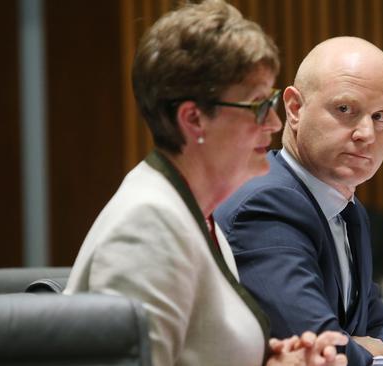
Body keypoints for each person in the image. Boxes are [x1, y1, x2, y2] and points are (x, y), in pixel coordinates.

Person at [63, 1, 348, 365]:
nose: (275, 124)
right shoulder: (149, 227)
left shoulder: (195, 213)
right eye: (257, 106)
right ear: (194, 119)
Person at [215, 36, 383, 365]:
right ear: (295, 109)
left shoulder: (348, 210)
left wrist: (368, 345)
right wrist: (360, 347)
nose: (366, 134)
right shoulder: (265, 206)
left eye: (380, 117)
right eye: (345, 109)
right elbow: (324, 352)